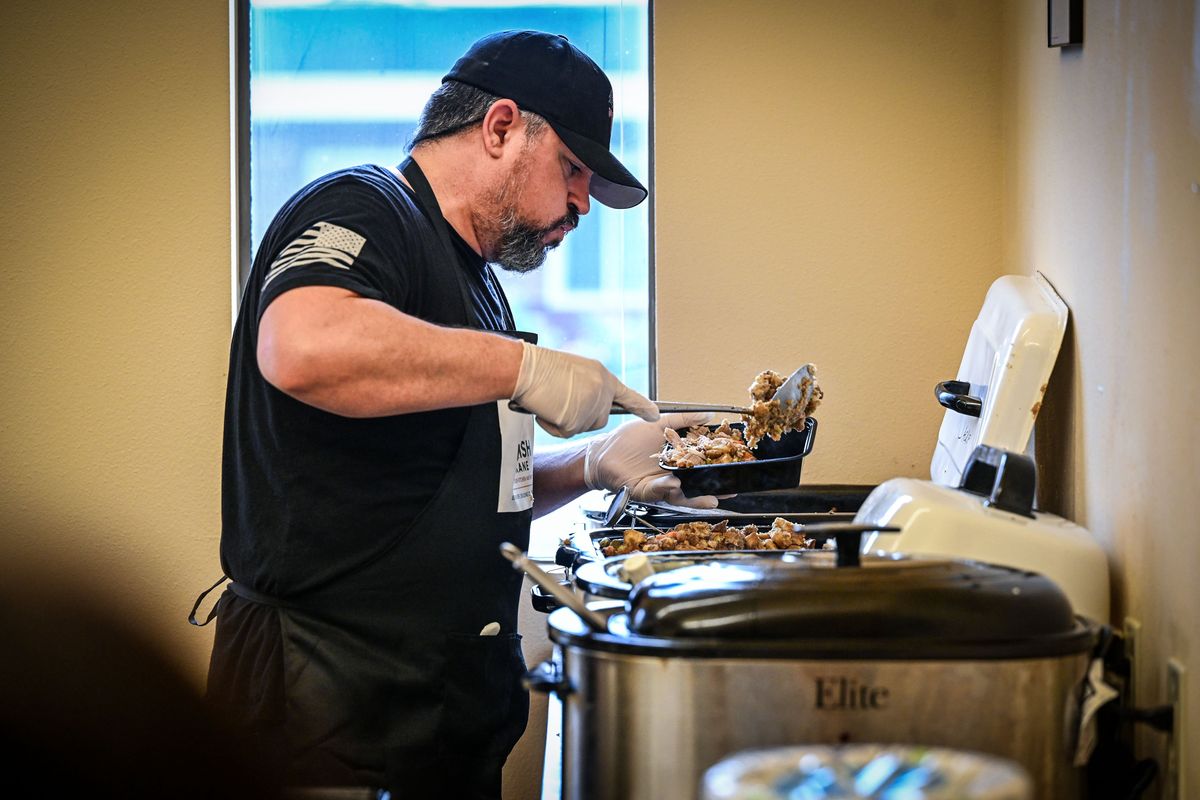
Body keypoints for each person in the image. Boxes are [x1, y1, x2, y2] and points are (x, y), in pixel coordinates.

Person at [196, 30, 719, 799]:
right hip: (325, 707)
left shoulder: (478, 284)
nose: (581, 205)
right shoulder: (365, 206)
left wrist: (592, 463)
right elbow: (302, 346)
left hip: (438, 710)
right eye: (572, 170)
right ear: (501, 125)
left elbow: (458, 484)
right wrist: (526, 367)